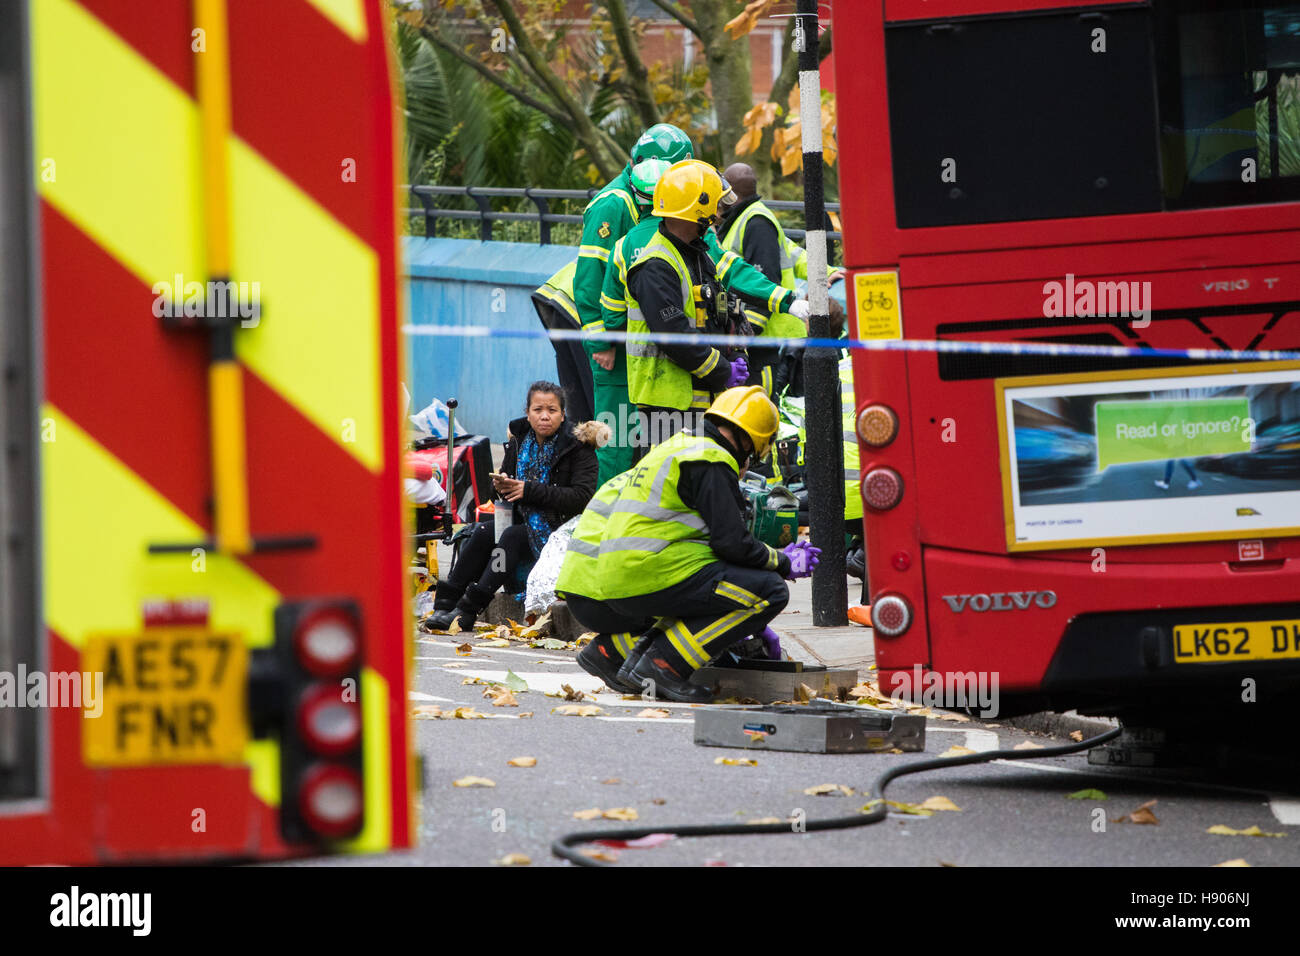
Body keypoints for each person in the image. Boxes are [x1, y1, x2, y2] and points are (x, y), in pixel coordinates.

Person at [566, 386, 821, 702]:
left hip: (620, 577)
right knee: (770, 591)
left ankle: (626, 657)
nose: (749, 462)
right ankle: (662, 665)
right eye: (754, 454)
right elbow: (733, 544)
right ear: (750, 441)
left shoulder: (678, 447)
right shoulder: (711, 458)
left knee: (710, 590)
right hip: (648, 573)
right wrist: (783, 562)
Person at [599, 166, 810, 481]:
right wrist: (725, 372)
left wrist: (737, 354)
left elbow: (726, 310)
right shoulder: (655, 266)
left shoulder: (698, 255)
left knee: (699, 485)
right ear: (696, 209)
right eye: (714, 206)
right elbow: (675, 338)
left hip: (698, 400)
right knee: (669, 487)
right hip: (667, 407)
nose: (719, 214)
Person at [532, 124, 694, 425]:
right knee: (614, 431)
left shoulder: (644, 196)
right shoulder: (614, 203)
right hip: (592, 323)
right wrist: (601, 342)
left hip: (618, 326)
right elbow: (590, 276)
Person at [425, 381, 603, 631]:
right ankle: (446, 603)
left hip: (560, 528)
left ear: (563, 416)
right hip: (521, 517)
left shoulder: (577, 447)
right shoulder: (519, 440)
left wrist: (528, 490)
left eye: (552, 410)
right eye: (538, 409)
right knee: (483, 531)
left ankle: (468, 610)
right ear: (527, 413)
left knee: (511, 537)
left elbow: (582, 497)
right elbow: (500, 490)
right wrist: (502, 485)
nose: (544, 416)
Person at [717, 162, 809, 395]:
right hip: (755, 344)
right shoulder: (743, 218)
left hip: (763, 345)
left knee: (761, 413)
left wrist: (746, 337)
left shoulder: (756, 222)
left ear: (731, 191)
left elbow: (764, 281)